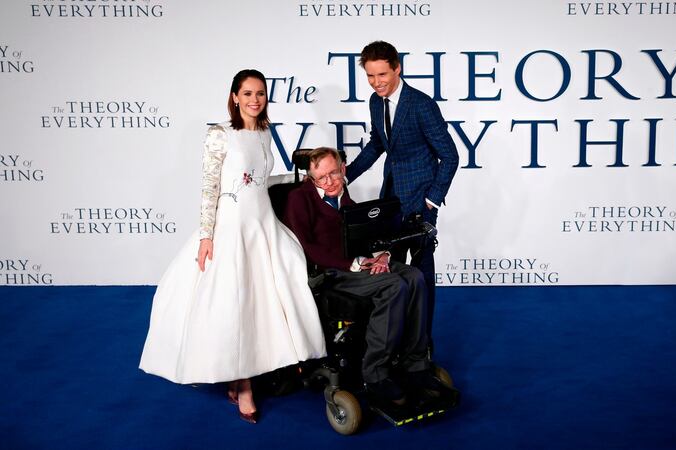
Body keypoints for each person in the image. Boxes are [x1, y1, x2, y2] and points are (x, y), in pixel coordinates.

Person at [139, 69, 326, 424]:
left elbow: (259, 180)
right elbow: (210, 187)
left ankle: (270, 363)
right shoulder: (219, 135)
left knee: (268, 298)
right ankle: (243, 386)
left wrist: (297, 178)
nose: (255, 100)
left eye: (260, 94)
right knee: (236, 303)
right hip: (231, 228)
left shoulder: (266, 133)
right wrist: (207, 236)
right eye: (248, 93)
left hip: (263, 225)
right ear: (235, 96)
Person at [282, 147, 452, 406]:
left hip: (358, 263)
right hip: (331, 272)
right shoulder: (299, 199)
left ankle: (415, 363)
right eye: (322, 178)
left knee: (415, 276)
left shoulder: (343, 195)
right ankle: (375, 373)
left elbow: (364, 232)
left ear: (343, 170)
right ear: (310, 178)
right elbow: (306, 248)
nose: (329, 182)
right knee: (395, 286)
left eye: (334, 174)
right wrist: (354, 263)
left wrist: (382, 255)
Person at [346, 41, 459, 337]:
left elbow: (450, 156)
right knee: (391, 272)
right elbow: (377, 145)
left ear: (397, 68)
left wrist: (432, 201)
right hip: (391, 200)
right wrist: (346, 175)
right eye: (370, 76)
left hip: (421, 202)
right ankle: (396, 338)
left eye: (382, 74)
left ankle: (423, 342)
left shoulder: (421, 104)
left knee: (422, 275)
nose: (376, 82)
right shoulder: (375, 101)